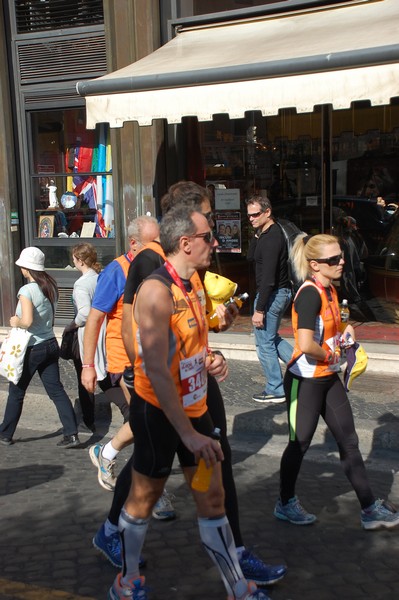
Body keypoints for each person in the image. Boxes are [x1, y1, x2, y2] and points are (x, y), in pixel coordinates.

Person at [95, 181, 286, 590]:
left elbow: (191, 344)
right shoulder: (155, 290)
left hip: (194, 411)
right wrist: (187, 433)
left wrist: (209, 359)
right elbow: (159, 370)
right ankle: (126, 582)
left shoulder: (193, 283)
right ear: (185, 242)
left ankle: (237, 587)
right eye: (207, 236)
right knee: (143, 501)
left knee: (212, 498)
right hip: (160, 416)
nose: (214, 242)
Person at [274, 233, 399, 530]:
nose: (341, 262)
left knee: (349, 442)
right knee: (299, 443)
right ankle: (285, 502)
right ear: (314, 265)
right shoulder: (308, 294)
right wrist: (330, 354)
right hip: (304, 381)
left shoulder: (329, 290)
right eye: (333, 259)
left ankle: (369, 508)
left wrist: (349, 331)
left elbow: (336, 323)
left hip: (327, 377)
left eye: (340, 256)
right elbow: (305, 344)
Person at [81, 216, 160, 436]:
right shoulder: (116, 272)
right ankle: (115, 457)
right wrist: (88, 366)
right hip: (126, 360)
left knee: (150, 421)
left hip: (155, 355)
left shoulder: (160, 265)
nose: (158, 250)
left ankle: (113, 456)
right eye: (151, 245)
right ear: (134, 243)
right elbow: (94, 319)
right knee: (144, 420)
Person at [0, 247, 80, 448]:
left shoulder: (26, 290)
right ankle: (71, 433)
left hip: (32, 347)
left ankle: (5, 433)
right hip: (50, 344)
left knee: (17, 392)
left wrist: (15, 321)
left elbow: (26, 321)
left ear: (27, 268)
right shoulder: (50, 286)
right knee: (56, 391)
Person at [246, 195, 293, 403]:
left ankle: (275, 389)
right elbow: (250, 257)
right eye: (249, 215)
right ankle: (303, 367)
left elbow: (268, 279)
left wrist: (260, 309)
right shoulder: (264, 234)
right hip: (275, 294)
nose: (251, 219)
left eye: (255, 214)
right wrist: (256, 235)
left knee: (264, 343)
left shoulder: (273, 238)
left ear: (267, 212)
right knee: (271, 338)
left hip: (272, 295)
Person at [67, 243, 111, 432]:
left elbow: (85, 313)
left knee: (86, 375)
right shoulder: (99, 278)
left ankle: (88, 419)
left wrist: (73, 324)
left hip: (88, 334)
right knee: (105, 372)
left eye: (74, 259)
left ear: (79, 260)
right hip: (104, 329)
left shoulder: (81, 284)